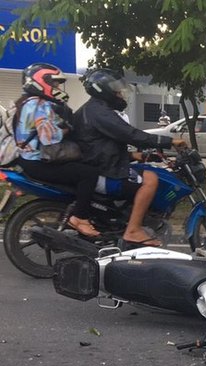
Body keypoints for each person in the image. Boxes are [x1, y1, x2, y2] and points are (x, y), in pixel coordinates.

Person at [73, 68, 187, 247]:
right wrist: (169, 141)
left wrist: (137, 155)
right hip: (103, 172)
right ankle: (133, 230)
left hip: (101, 164)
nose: (120, 94)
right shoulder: (100, 112)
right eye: (116, 90)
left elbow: (100, 146)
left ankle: (128, 220)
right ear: (103, 90)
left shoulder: (96, 109)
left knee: (147, 171)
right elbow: (130, 134)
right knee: (151, 180)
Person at [14, 63, 104, 237]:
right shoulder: (40, 104)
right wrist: (66, 129)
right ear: (41, 82)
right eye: (53, 83)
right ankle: (80, 217)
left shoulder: (25, 102)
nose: (56, 87)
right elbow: (49, 137)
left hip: (27, 160)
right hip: (37, 161)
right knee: (89, 173)